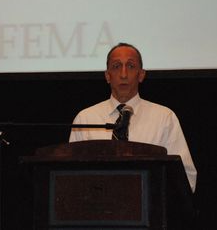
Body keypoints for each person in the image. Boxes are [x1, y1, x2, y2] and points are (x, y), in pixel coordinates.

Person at [69, 42, 197, 193]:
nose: (123, 74)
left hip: (149, 210)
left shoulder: (164, 117)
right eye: (116, 66)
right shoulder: (85, 118)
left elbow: (186, 177)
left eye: (130, 66)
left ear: (141, 74)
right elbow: (70, 177)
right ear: (107, 76)